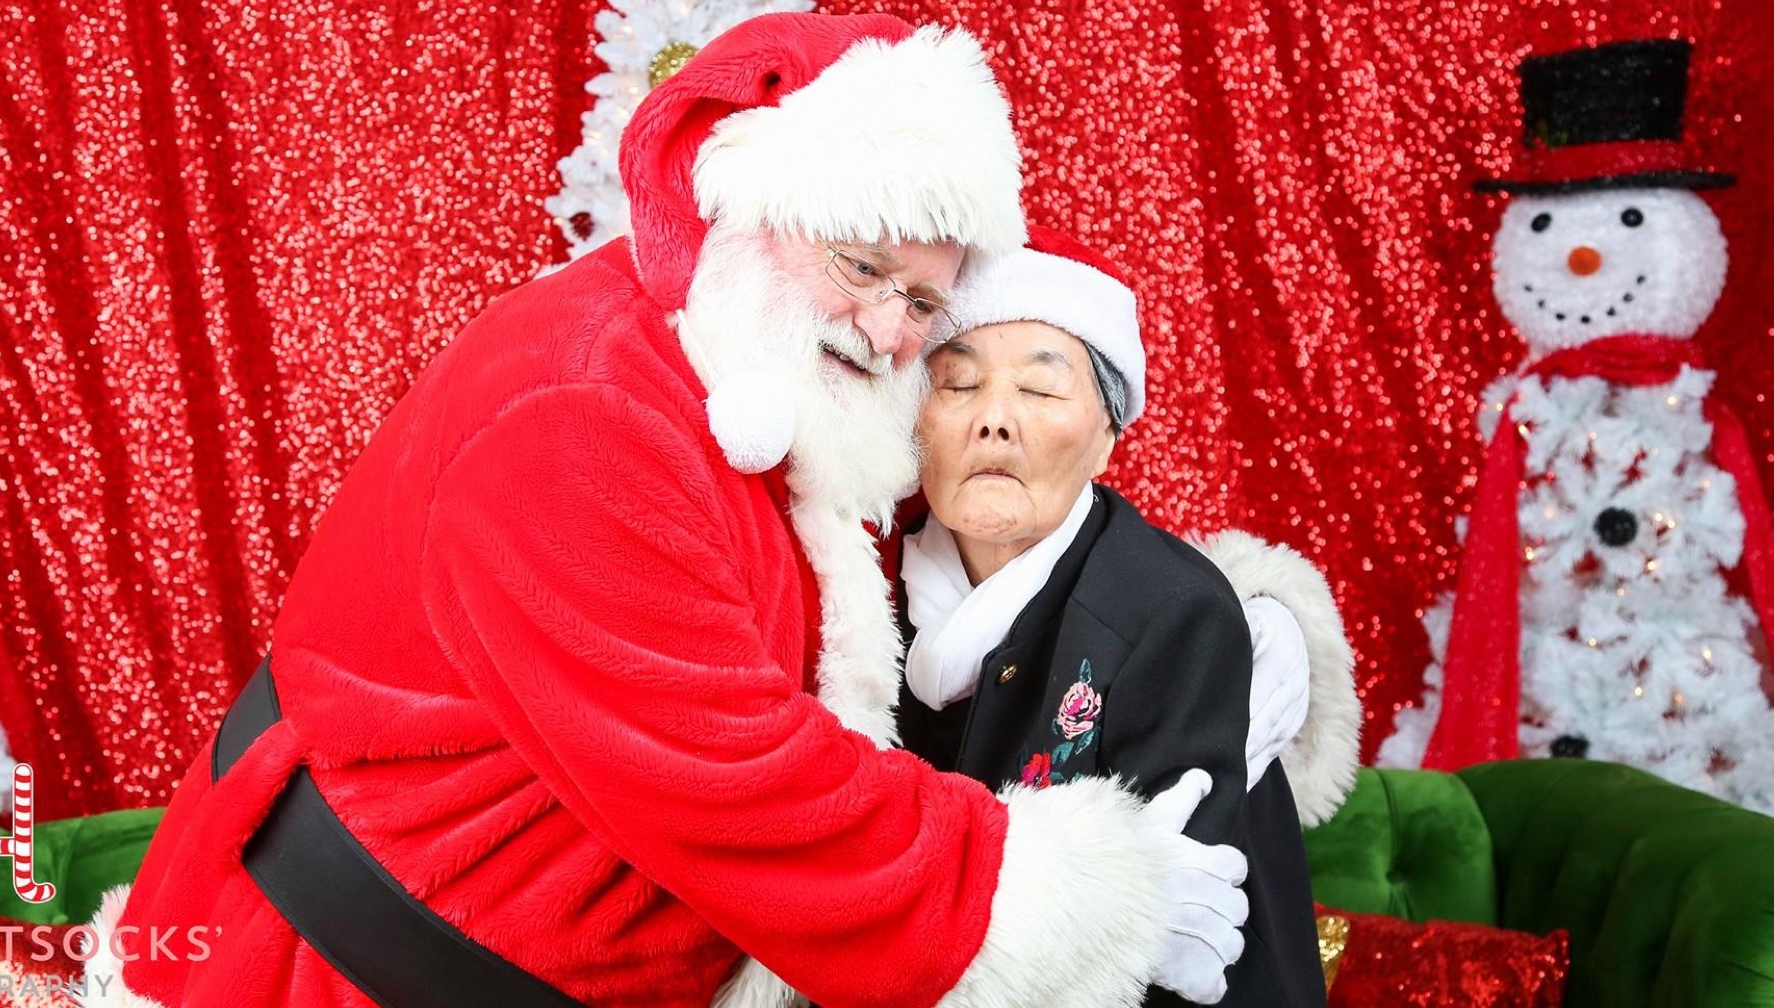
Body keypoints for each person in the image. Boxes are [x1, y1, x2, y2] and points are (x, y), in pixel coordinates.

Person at [85, 14, 1260, 1008]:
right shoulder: (584, 410)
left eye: (921, 302)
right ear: (740, 208)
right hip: (345, 974)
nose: (889, 330)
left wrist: (1222, 614)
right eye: (861, 267)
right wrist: (1060, 892)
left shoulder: (760, 380)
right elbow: (730, 776)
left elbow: (955, 517)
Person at [896, 228, 1363, 1006]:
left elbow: (1158, 952)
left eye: (1041, 391)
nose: (994, 420)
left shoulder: (1174, 617)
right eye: (956, 384)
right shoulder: (863, 595)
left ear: (1109, 435)